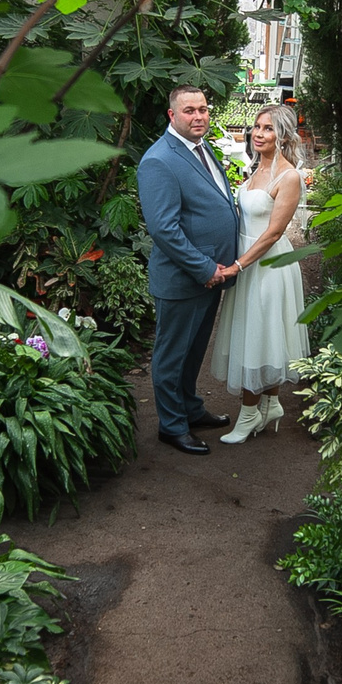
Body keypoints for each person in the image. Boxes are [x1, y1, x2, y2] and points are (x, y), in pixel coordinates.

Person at [136, 85, 243, 456]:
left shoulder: (200, 147)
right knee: (171, 355)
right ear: (172, 115)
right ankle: (172, 426)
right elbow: (164, 229)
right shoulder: (159, 160)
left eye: (203, 109)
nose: (198, 117)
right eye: (189, 111)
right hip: (186, 278)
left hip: (212, 274)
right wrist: (204, 268)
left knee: (194, 351)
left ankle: (191, 409)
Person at [209, 103, 311, 443]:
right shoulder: (255, 171)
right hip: (248, 262)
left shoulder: (289, 176)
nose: (257, 133)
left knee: (259, 336)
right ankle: (271, 404)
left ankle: (249, 414)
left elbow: (273, 233)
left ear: (282, 135)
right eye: (256, 126)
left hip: (267, 267)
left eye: (267, 128)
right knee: (260, 334)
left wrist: (238, 265)